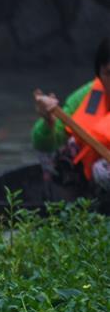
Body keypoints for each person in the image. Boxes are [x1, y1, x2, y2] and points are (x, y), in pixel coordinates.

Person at [32, 37, 110, 203]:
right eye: (109, 73)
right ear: (99, 75)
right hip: (93, 184)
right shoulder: (87, 96)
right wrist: (48, 122)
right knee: (63, 154)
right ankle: (73, 213)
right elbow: (44, 144)